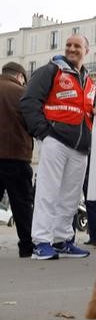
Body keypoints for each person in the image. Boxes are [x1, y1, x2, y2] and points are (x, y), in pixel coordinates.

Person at [19, 35, 96, 259]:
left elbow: (90, 111)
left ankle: (62, 239)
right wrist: (44, 132)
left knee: (71, 198)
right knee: (47, 192)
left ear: (86, 51)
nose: (71, 49)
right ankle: (41, 242)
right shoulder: (51, 70)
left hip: (81, 147)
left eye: (77, 46)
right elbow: (28, 101)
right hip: (56, 141)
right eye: (69, 45)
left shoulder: (90, 82)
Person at [0, 62, 34, 258]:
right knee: (21, 204)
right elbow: (32, 123)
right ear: (20, 76)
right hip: (16, 156)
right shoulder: (22, 93)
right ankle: (26, 246)